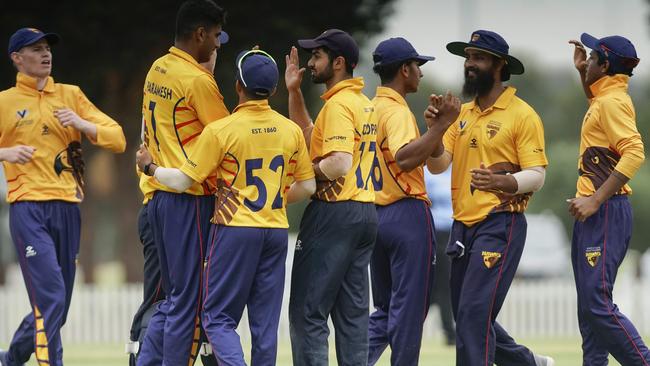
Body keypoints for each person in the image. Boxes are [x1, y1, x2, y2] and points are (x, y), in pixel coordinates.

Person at [136, 48, 316, 366]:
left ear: (237, 86)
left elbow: (180, 181)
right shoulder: (290, 130)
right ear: (274, 89)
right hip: (275, 229)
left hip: (234, 230)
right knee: (264, 328)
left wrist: (150, 168)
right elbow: (308, 186)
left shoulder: (222, 130)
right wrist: (273, 197)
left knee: (217, 319)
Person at [426, 30, 553, 366]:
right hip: (461, 229)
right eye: (468, 57)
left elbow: (537, 175)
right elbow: (438, 165)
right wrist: (437, 130)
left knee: (471, 316)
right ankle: (529, 363)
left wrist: (502, 181)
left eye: (478, 58)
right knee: (470, 317)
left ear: (500, 65)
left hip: (500, 223)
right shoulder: (463, 114)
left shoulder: (522, 115)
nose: (469, 64)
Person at [0, 27, 126, 366]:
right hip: (28, 210)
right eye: (35, 49)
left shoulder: (71, 95)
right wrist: (5, 153)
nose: (45, 54)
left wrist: (83, 125)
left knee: (58, 308)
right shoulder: (5, 102)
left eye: (47, 48)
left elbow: (117, 139)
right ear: (16, 58)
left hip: (69, 209)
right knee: (52, 298)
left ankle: (10, 358)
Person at [135, 1, 230, 365]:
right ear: (200, 33)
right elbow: (228, 138)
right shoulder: (198, 81)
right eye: (216, 36)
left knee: (171, 299)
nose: (218, 44)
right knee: (188, 304)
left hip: (159, 196)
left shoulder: (157, 67)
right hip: (189, 198)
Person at [284, 29, 378, 365]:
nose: (310, 64)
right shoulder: (362, 104)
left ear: (338, 63)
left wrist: (304, 175)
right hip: (365, 214)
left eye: (317, 56)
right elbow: (312, 138)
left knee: (307, 313)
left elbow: (338, 163)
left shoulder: (338, 105)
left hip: (334, 215)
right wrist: (294, 92)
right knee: (352, 320)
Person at [366, 37, 460, 365]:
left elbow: (435, 161)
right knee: (410, 309)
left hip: (374, 215)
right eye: (417, 66)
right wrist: (444, 125)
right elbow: (406, 159)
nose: (420, 73)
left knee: (386, 308)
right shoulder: (396, 109)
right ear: (404, 69)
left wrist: (433, 130)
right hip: (406, 213)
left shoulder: (371, 107)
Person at [568, 33, 649, 365]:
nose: (586, 61)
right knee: (589, 313)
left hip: (604, 211)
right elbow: (598, 114)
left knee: (596, 305)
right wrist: (581, 74)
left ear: (605, 64)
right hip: (597, 214)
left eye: (591, 58)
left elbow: (634, 153)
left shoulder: (612, 102)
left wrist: (595, 201)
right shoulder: (606, 98)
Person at [424, 167, 457, 346]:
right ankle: (450, 332)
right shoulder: (427, 173)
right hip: (435, 232)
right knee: (440, 286)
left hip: (455, 232)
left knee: (445, 286)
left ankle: (450, 331)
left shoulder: (456, 170)